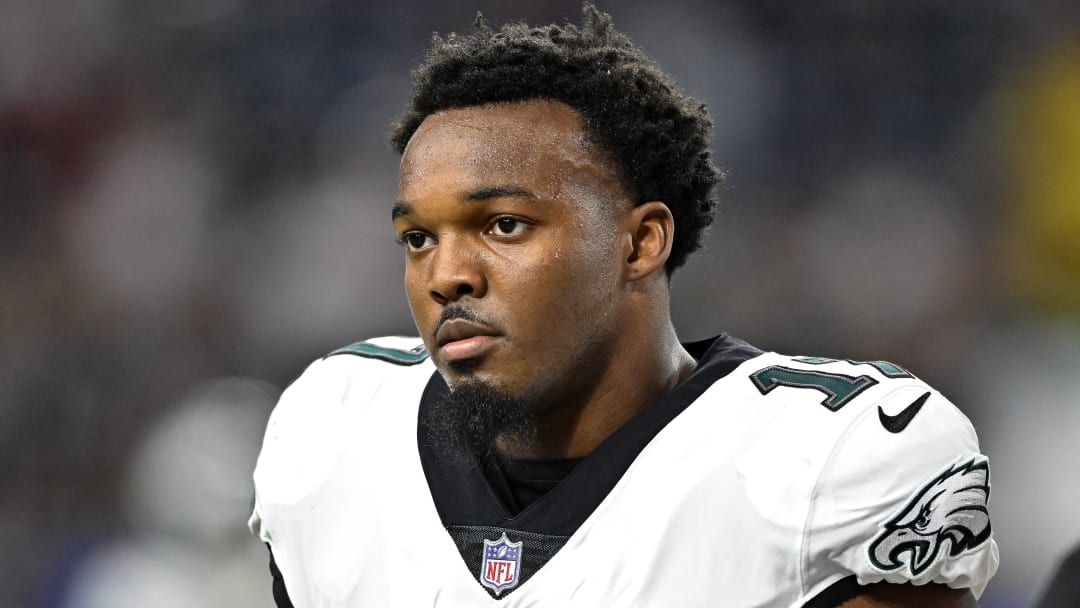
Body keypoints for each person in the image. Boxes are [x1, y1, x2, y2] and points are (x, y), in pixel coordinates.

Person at [248, 5, 998, 606]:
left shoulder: (821, 465)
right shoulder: (335, 433)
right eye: (418, 238)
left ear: (640, 243)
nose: (447, 276)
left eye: (503, 225)